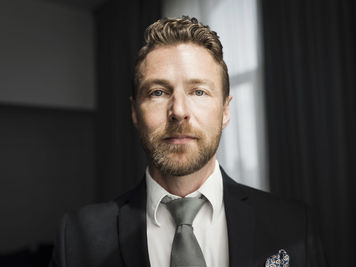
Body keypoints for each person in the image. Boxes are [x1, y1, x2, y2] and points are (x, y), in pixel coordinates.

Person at [50, 16, 326, 267]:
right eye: (158, 92)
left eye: (198, 91)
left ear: (226, 110)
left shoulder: (293, 224)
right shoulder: (76, 236)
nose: (179, 111)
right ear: (135, 111)